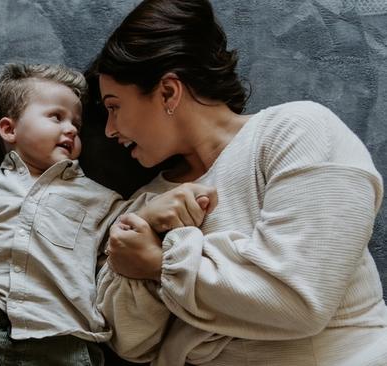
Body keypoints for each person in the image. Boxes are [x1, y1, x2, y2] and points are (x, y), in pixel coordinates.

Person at [88, 0, 387, 365]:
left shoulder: (296, 132)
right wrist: (148, 224)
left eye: (115, 106)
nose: (109, 129)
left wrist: (161, 263)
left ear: (168, 92)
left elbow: (298, 300)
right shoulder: (146, 204)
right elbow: (131, 343)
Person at [0, 63, 214, 366]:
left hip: (64, 338)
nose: (70, 129)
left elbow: (130, 221)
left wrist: (166, 204)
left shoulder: (96, 197)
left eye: (76, 126)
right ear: (9, 129)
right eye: (56, 117)